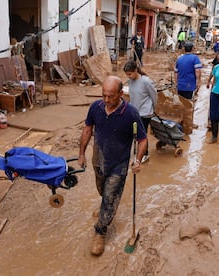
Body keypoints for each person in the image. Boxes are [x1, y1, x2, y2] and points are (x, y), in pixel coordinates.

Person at [77, 76, 147, 256]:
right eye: (104, 96)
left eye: (111, 96)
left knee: (109, 197)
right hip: (98, 159)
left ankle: (100, 231)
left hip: (119, 165)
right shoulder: (96, 107)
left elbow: (142, 139)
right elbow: (87, 130)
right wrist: (81, 153)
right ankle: (105, 209)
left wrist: (137, 160)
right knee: (102, 190)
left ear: (120, 94)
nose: (106, 100)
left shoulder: (130, 113)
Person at [124, 60, 158, 163]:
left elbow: (154, 95)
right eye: (127, 75)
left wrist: (154, 107)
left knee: (142, 135)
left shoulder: (146, 81)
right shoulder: (130, 81)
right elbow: (131, 96)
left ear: (135, 70)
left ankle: (145, 154)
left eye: (130, 74)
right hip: (134, 112)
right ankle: (139, 152)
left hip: (145, 113)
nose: (129, 76)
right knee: (134, 133)